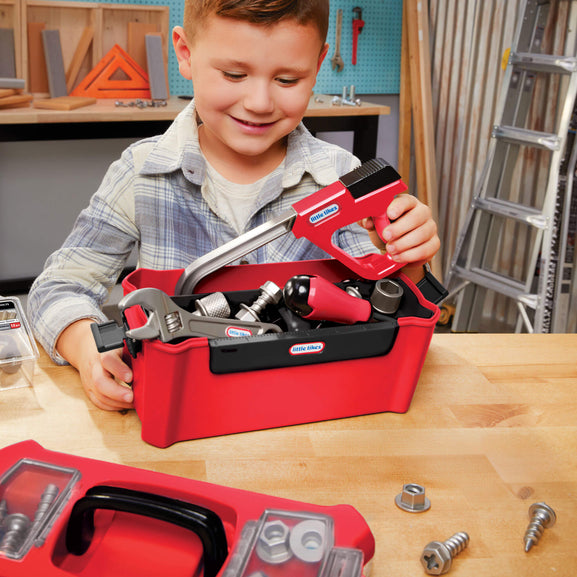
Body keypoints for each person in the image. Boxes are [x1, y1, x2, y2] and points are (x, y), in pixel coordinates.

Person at [28, 0, 440, 412]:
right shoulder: (141, 174)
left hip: (310, 411)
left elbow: (383, 311)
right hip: (189, 416)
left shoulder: (342, 178)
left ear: (316, 66)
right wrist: (87, 349)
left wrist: (409, 261)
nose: (259, 102)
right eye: (234, 74)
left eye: (287, 79)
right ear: (186, 54)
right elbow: (58, 289)